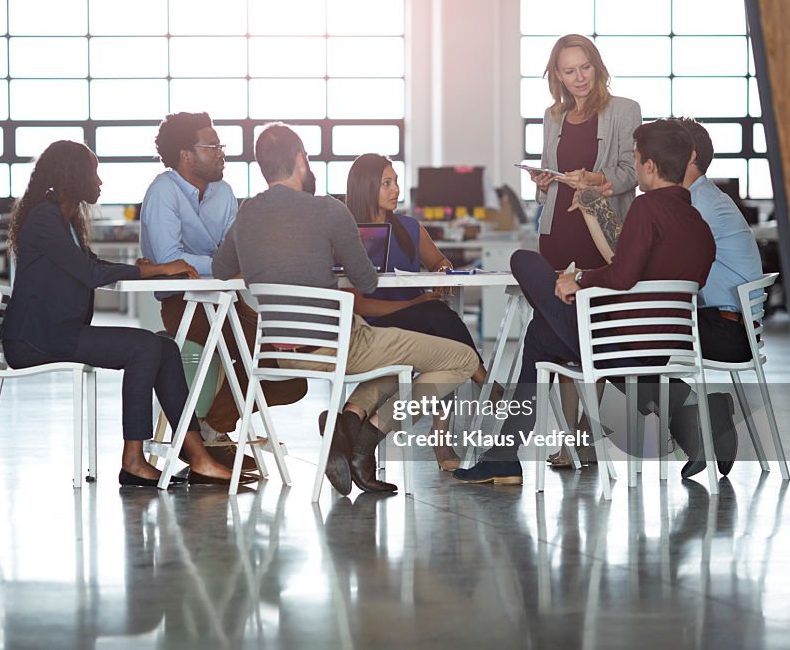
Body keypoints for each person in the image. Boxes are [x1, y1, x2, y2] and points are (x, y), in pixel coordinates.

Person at [454, 119, 736, 485]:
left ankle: (505, 458)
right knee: (540, 336)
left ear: (650, 166)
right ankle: (504, 455)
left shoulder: (648, 208)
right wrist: (582, 279)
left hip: (620, 345)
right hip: (669, 347)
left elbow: (622, 276)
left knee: (523, 261)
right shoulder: (699, 225)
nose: (634, 168)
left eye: (635, 159)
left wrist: (578, 279)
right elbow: (645, 279)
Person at [213, 123, 479, 495]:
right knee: (461, 359)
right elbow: (367, 281)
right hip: (341, 346)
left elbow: (221, 270)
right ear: (300, 160)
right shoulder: (329, 211)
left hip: (280, 354)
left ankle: (350, 422)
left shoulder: (247, 214)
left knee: (402, 362)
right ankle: (371, 435)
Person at [0, 140, 245, 488]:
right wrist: (159, 269)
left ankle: (198, 457)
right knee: (144, 347)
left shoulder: (60, 217)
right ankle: (134, 461)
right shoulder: (45, 217)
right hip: (37, 340)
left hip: (55, 333)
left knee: (165, 347)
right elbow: (90, 274)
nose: (99, 182)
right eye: (93, 173)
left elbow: (90, 265)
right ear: (73, 176)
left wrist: (150, 269)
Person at [140, 112, 306, 469]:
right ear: (186, 154)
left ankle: (211, 426)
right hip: (184, 305)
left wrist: (211, 262)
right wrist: (217, 263)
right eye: (212, 146)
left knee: (293, 378)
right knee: (269, 354)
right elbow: (171, 261)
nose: (221, 153)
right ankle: (209, 437)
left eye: (220, 146)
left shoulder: (224, 193)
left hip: (228, 301)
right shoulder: (162, 191)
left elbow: (235, 254)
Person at [344, 153, 492, 471]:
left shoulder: (409, 228)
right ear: (366, 187)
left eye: (396, 181)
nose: (396, 189)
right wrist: (415, 303)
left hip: (419, 317)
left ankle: (449, 425)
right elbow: (357, 304)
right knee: (438, 320)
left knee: (440, 328)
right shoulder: (349, 234)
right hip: (376, 321)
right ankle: (483, 382)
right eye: (386, 183)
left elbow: (439, 262)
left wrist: (443, 272)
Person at [530, 33, 642, 271]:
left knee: (600, 306)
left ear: (597, 67)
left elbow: (634, 173)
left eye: (585, 67)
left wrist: (595, 178)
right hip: (556, 233)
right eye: (569, 71)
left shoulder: (625, 110)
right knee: (554, 305)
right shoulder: (553, 116)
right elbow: (547, 178)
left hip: (603, 236)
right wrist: (542, 184)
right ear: (558, 75)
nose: (579, 78)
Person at [675, 117, 763, 363]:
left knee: (616, 337)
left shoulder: (698, 205)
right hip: (729, 326)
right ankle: (693, 402)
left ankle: (691, 403)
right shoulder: (703, 197)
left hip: (727, 332)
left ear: (690, 156)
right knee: (622, 333)